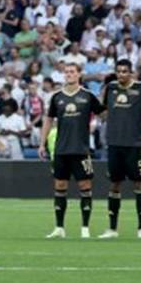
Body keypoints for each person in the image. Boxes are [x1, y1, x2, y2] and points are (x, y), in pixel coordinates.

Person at [98, 59, 141, 239]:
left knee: (139, 183)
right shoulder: (110, 88)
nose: (121, 74)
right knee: (114, 184)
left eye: (125, 71)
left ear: (131, 73)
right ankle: (112, 229)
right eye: (119, 71)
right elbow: (101, 108)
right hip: (114, 143)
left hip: (134, 144)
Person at [41, 60, 102, 239]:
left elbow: (101, 113)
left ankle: (85, 227)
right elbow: (48, 120)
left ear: (78, 74)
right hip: (61, 149)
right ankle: (59, 227)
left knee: (85, 186)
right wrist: (42, 143)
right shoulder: (57, 97)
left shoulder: (87, 96)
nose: (69, 74)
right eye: (66, 72)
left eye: (72, 72)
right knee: (60, 186)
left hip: (81, 149)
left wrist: (93, 124)